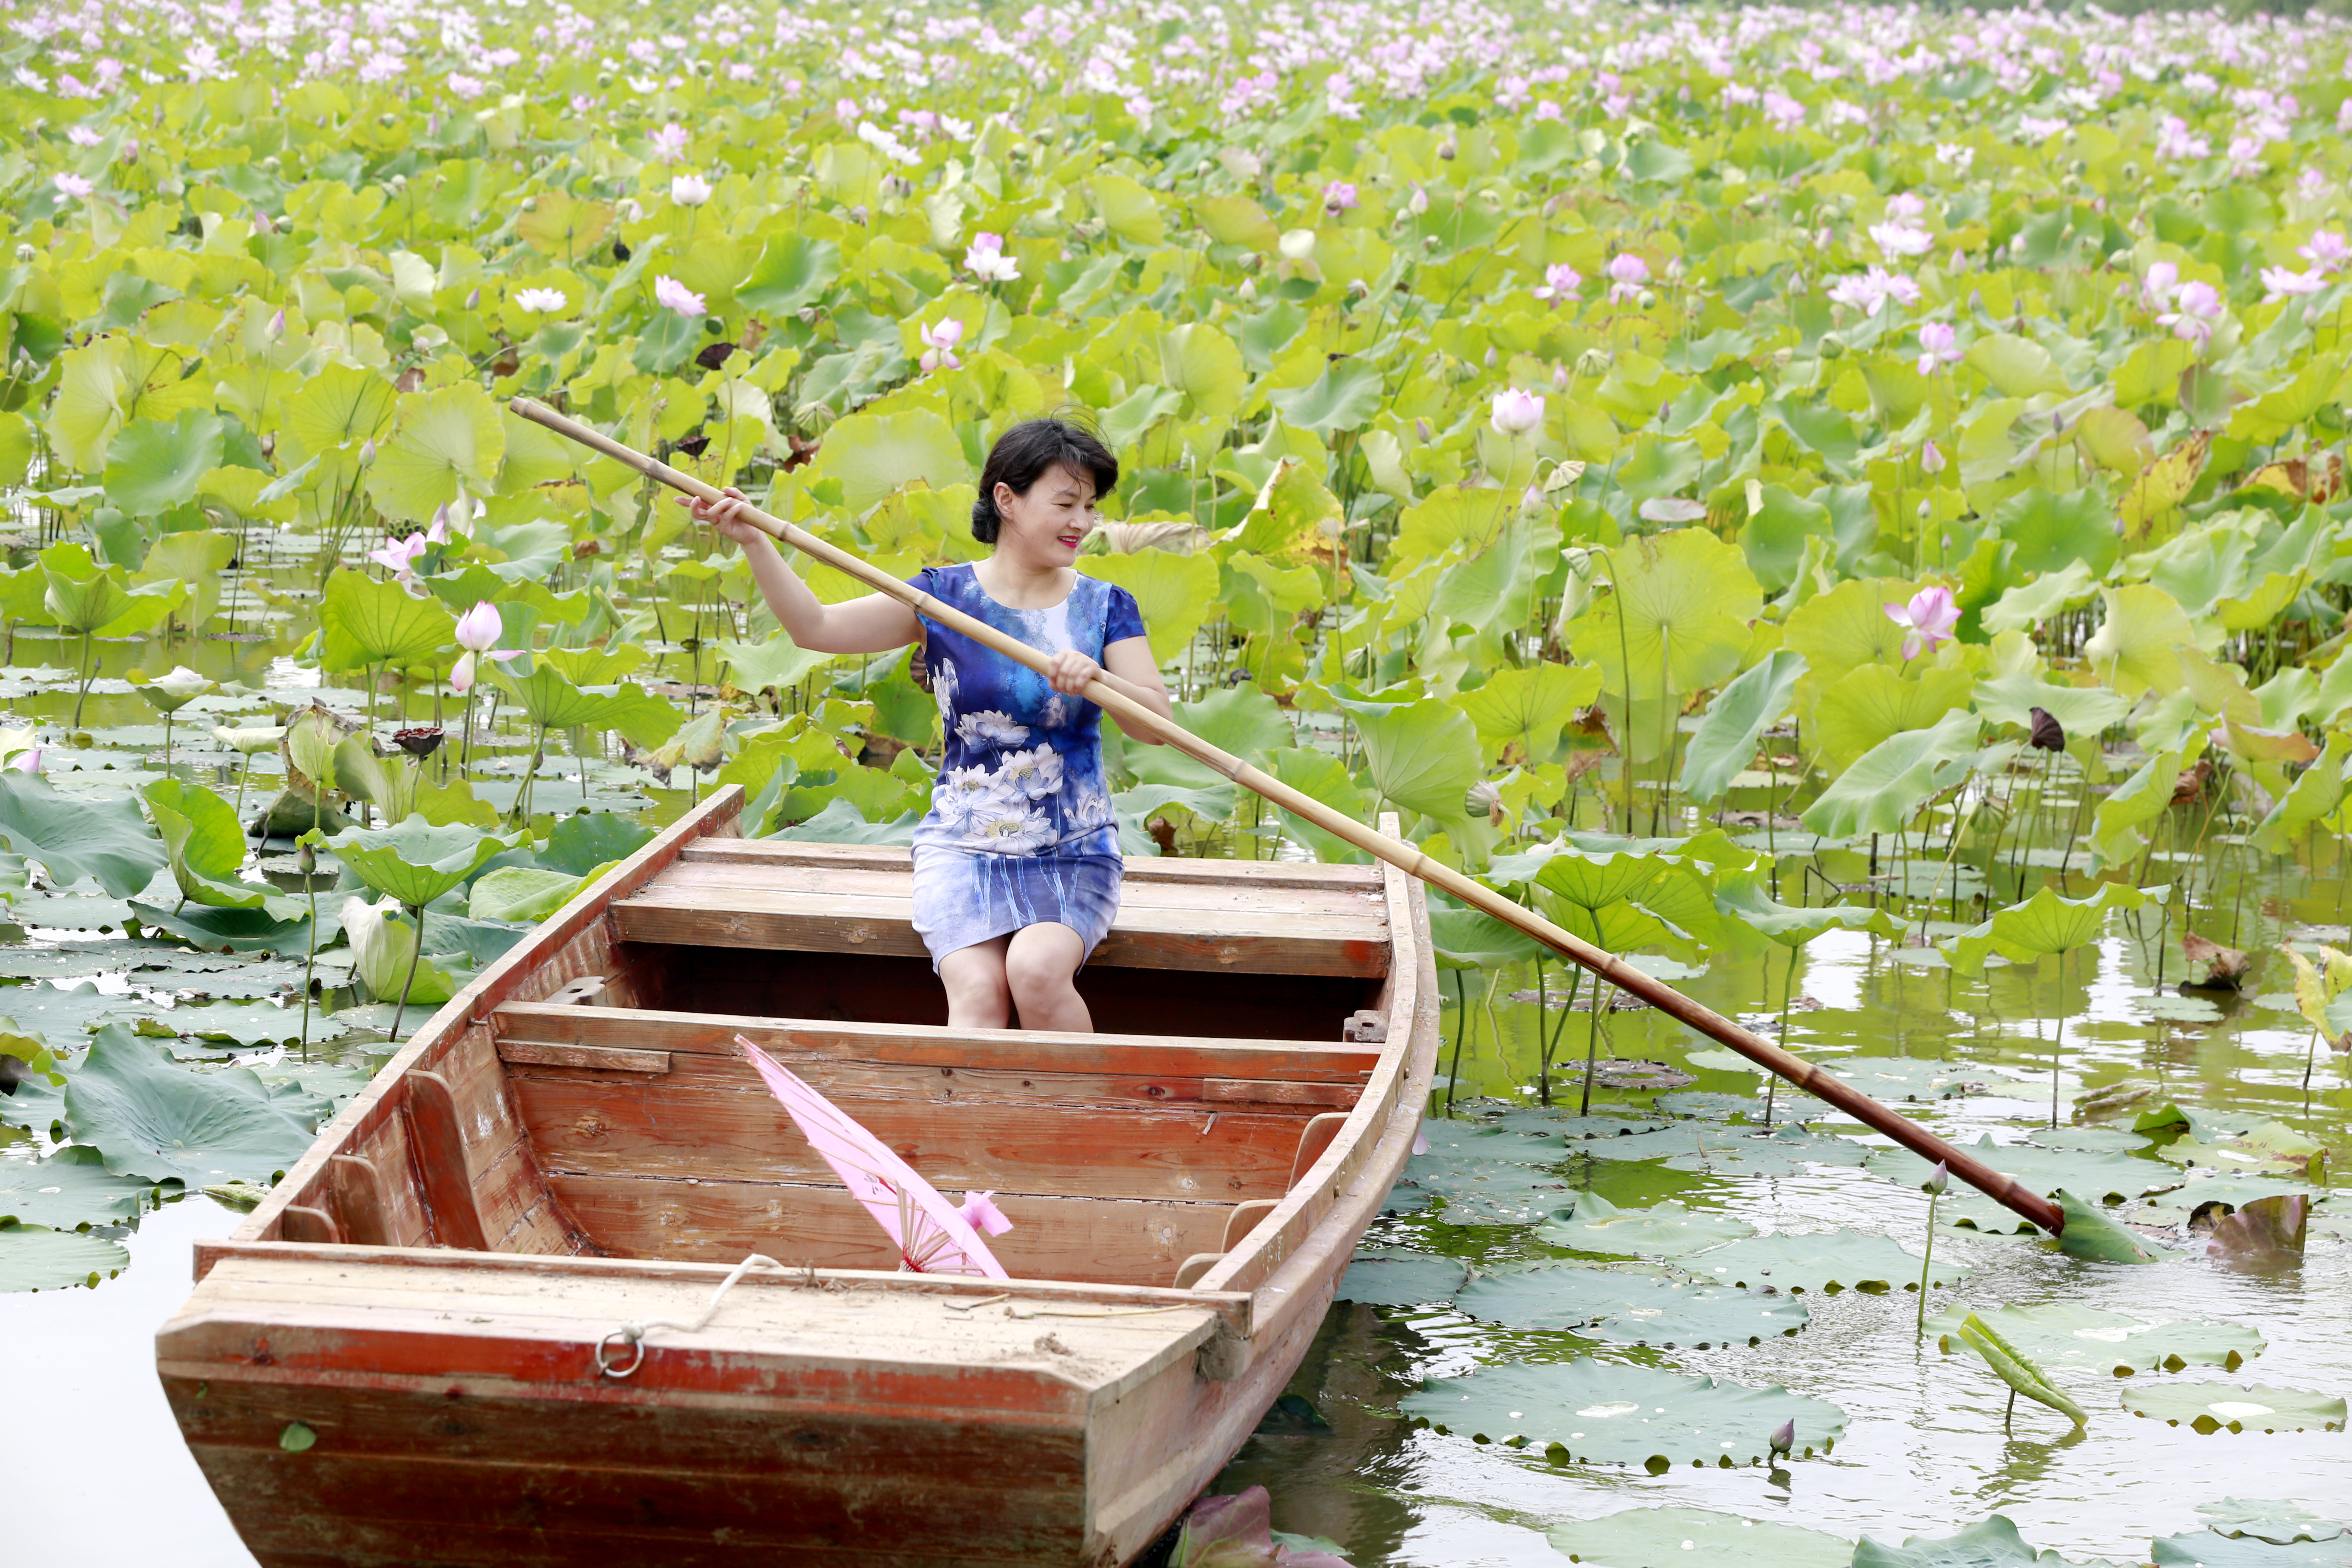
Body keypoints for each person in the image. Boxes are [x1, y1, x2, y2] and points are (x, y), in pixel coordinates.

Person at [681, 417, 1172, 1032]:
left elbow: (1157, 725)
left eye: (1091, 507)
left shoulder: (1103, 607)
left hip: (1070, 846)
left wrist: (1100, 681)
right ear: (1007, 501)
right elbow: (817, 629)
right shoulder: (943, 600)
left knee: (1037, 972)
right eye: (1066, 503)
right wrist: (755, 540)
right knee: (976, 988)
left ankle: (1084, 1120)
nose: (1082, 522)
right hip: (964, 843)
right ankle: (974, 1127)